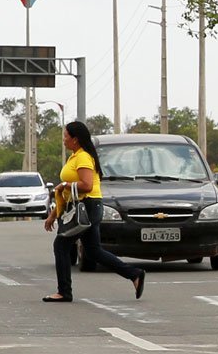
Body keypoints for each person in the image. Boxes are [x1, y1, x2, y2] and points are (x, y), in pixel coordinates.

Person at [42, 121, 146, 302]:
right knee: (93, 251)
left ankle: (64, 292)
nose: (63, 140)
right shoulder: (75, 156)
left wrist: (65, 184)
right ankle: (134, 274)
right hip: (87, 206)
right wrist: (53, 215)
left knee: (61, 245)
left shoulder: (83, 157)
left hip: (87, 206)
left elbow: (87, 185)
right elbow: (67, 194)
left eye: (66, 136)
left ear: (75, 139)